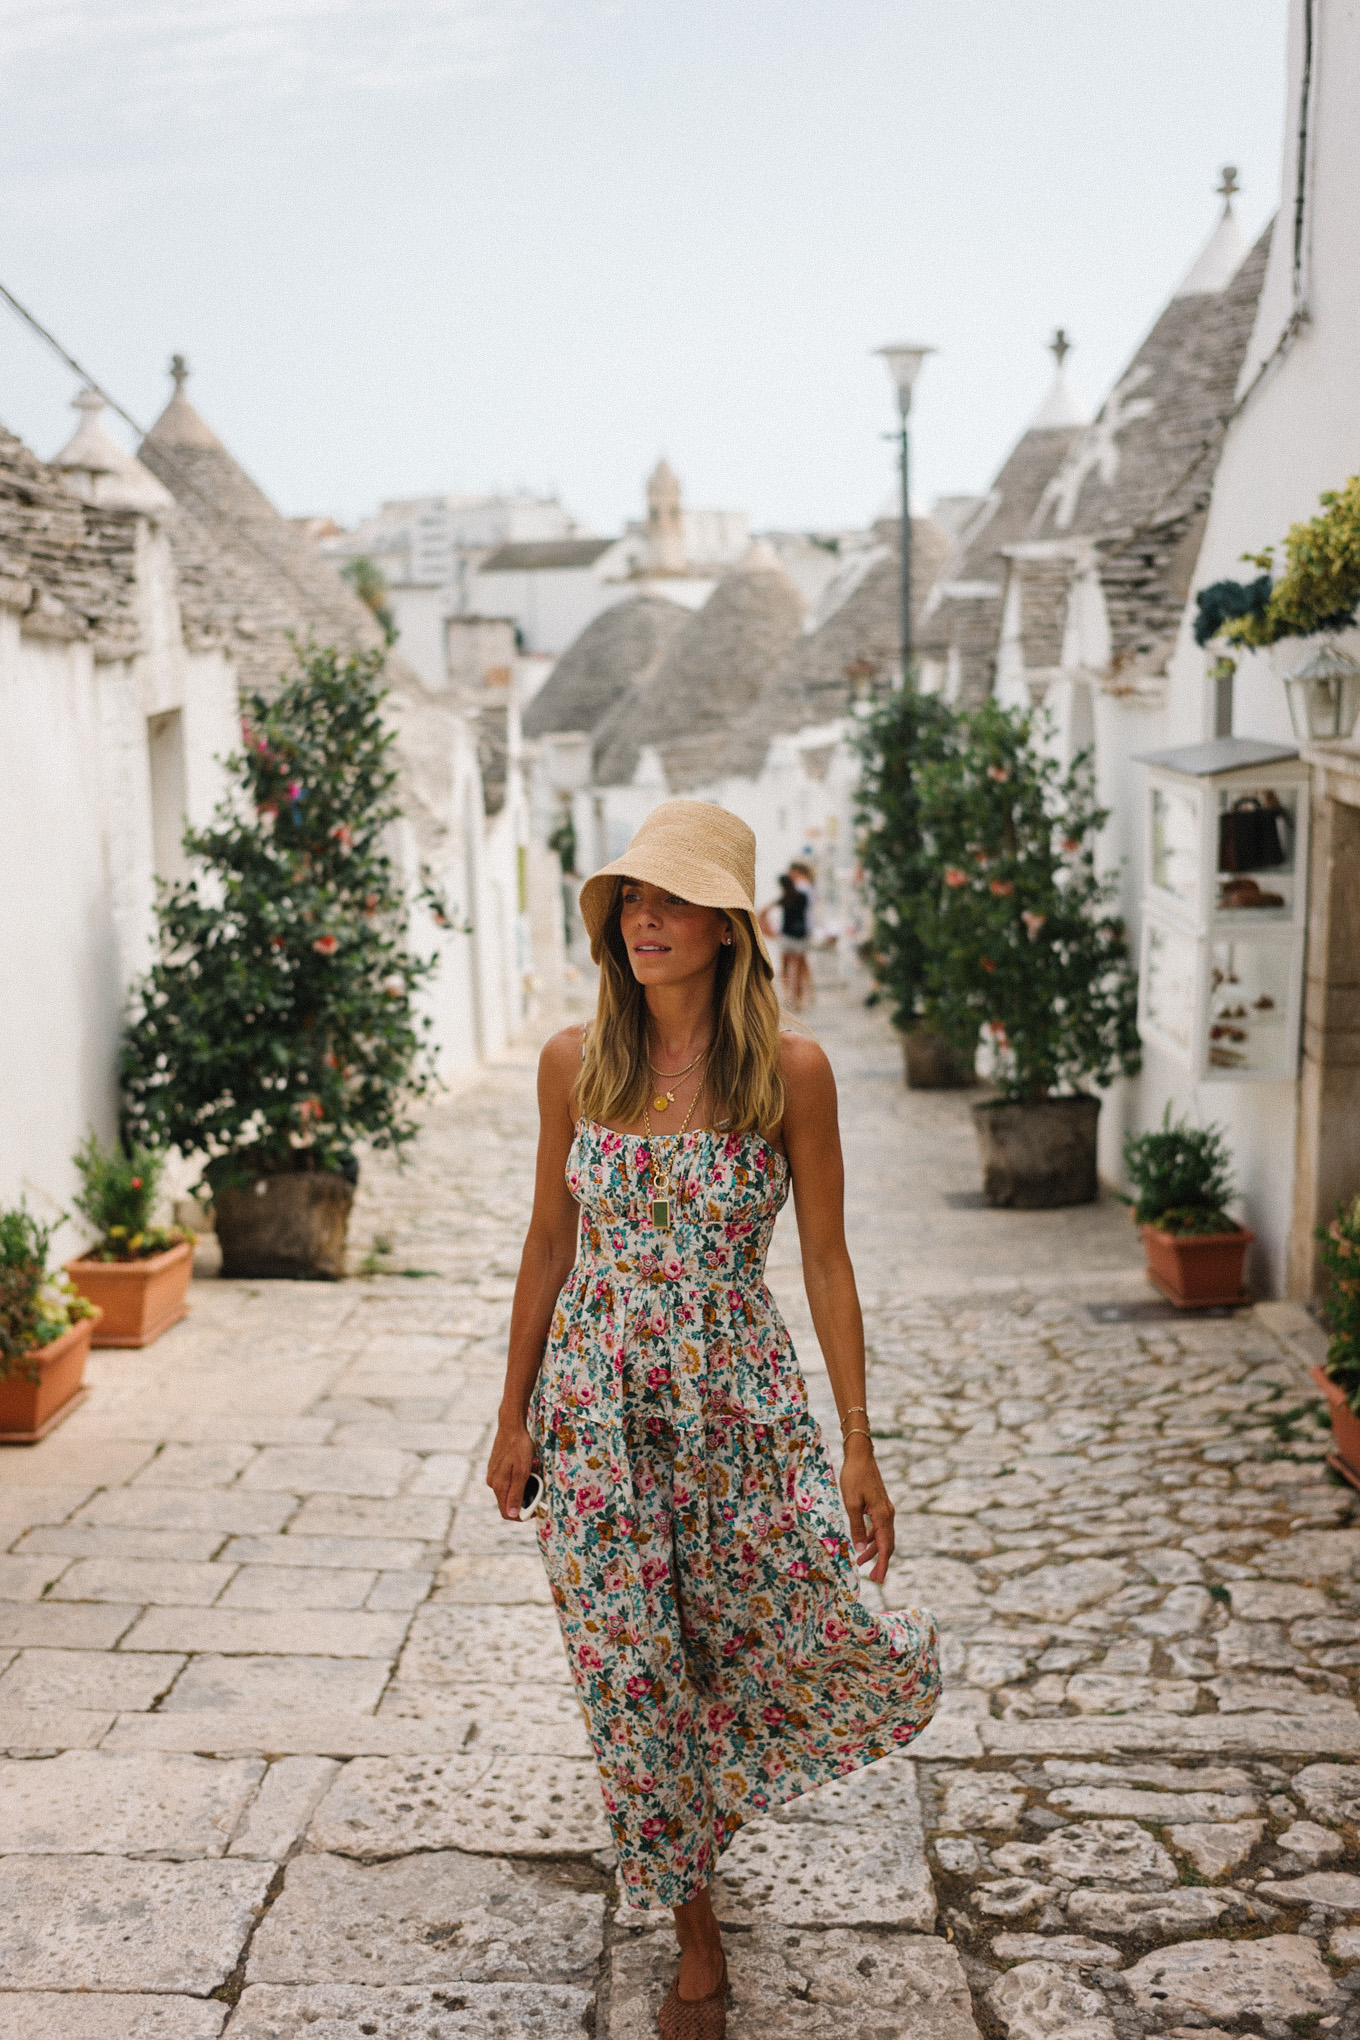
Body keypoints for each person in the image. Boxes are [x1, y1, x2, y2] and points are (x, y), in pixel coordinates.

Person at [486, 799, 939, 2039]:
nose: (644, 919)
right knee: (627, 1665)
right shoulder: (572, 1062)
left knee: (736, 1646)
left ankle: (688, 1817)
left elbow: (829, 1264)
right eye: (632, 898)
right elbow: (546, 1243)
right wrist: (512, 1413)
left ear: (730, 929)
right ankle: (692, 1924)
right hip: (595, 1409)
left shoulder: (789, 1074)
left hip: (736, 1410)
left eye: (671, 900)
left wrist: (858, 1442)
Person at [759, 862, 814, 1011]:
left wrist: (767, 930)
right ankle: (798, 1000)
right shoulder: (802, 896)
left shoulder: (784, 898)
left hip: (786, 937)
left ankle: (787, 995)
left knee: (784, 968)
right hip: (800, 937)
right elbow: (807, 914)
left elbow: (762, 912)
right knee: (797, 971)